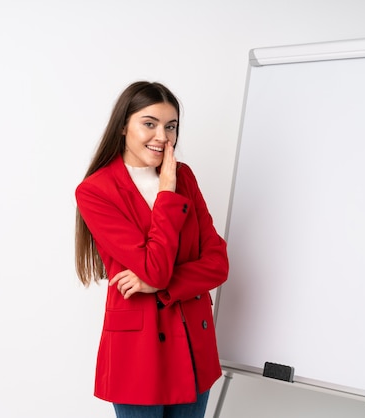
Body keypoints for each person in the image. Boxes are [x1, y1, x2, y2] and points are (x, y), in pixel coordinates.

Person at [75, 81, 229, 418]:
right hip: (139, 350)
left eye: (170, 126)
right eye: (149, 123)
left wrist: (157, 284)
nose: (162, 136)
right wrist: (166, 194)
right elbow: (153, 266)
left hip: (191, 340)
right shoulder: (96, 191)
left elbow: (218, 264)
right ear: (122, 127)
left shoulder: (183, 176)